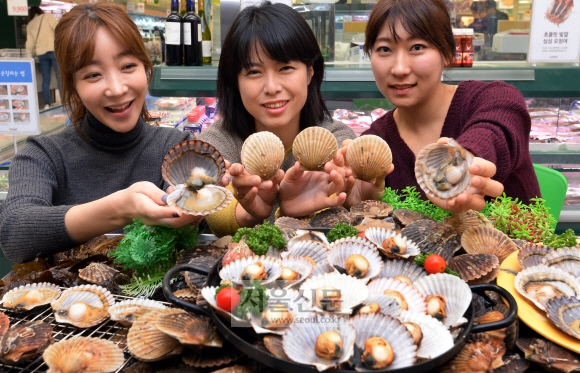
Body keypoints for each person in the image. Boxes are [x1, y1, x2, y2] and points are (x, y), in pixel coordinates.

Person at [0, 3, 218, 264]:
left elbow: (191, 224)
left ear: (146, 68)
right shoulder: (43, 155)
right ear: (73, 85)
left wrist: (199, 208)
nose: (116, 88)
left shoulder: (177, 147)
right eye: (93, 74)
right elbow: (15, 233)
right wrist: (121, 209)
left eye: (127, 66)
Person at [356, 0, 539, 213]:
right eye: (384, 49)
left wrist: (464, 162)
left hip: (520, 246)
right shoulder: (375, 144)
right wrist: (356, 202)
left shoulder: (493, 99)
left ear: (447, 53)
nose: (399, 69)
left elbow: (494, 131)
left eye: (417, 47)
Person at [198, 2, 362, 237]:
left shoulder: (335, 139)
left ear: (310, 71)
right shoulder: (216, 144)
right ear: (235, 80)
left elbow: (337, 204)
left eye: (285, 68)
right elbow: (215, 210)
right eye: (254, 72)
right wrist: (250, 212)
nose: (272, 87)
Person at [25, 6, 62, 109]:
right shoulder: (48, 17)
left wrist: (28, 55)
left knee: (46, 79)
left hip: (41, 53)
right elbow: (58, 28)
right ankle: (64, 101)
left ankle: (47, 104)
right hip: (53, 50)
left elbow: (30, 44)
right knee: (60, 77)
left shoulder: (30, 24)